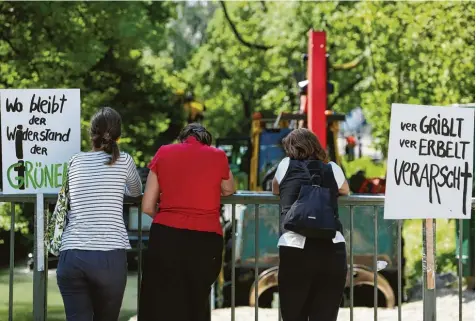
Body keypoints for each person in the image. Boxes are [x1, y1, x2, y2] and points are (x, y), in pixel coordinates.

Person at [139, 123, 235, 321]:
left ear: (182, 138)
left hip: (166, 236)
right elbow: (229, 189)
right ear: (206, 140)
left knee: (160, 299)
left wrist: (169, 217)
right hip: (205, 239)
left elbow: (148, 206)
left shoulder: (164, 152)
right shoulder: (217, 155)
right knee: (196, 300)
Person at [56, 107, 142, 321]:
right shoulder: (125, 161)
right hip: (108, 257)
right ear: (118, 136)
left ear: (91, 133)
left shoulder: (74, 161)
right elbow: (136, 191)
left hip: (71, 255)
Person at [272, 128, 350, 321]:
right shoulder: (332, 167)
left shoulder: (285, 165)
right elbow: (345, 190)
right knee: (325, 315)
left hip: (295, 248)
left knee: (293, 314)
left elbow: (275, 188)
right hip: (332, 249)